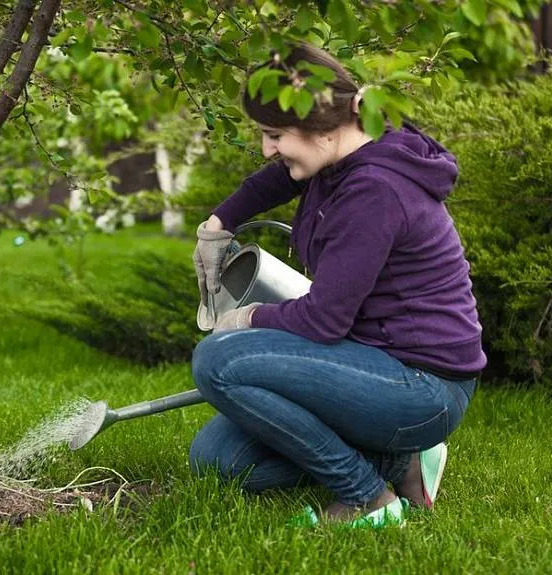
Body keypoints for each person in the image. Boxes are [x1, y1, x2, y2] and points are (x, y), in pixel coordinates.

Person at [189, 43, 486, 528]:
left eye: (274, 134)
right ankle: (398, 460)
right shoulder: (349, 149)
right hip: (370, 361)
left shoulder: (374, 191)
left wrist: (244, 319)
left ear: (320, 127)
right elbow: (279, 179)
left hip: (421, 386)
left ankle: (368, 497)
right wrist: (219, 223)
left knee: (218, 361)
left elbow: (322, 320)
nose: (267, 148)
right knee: (219, 462)